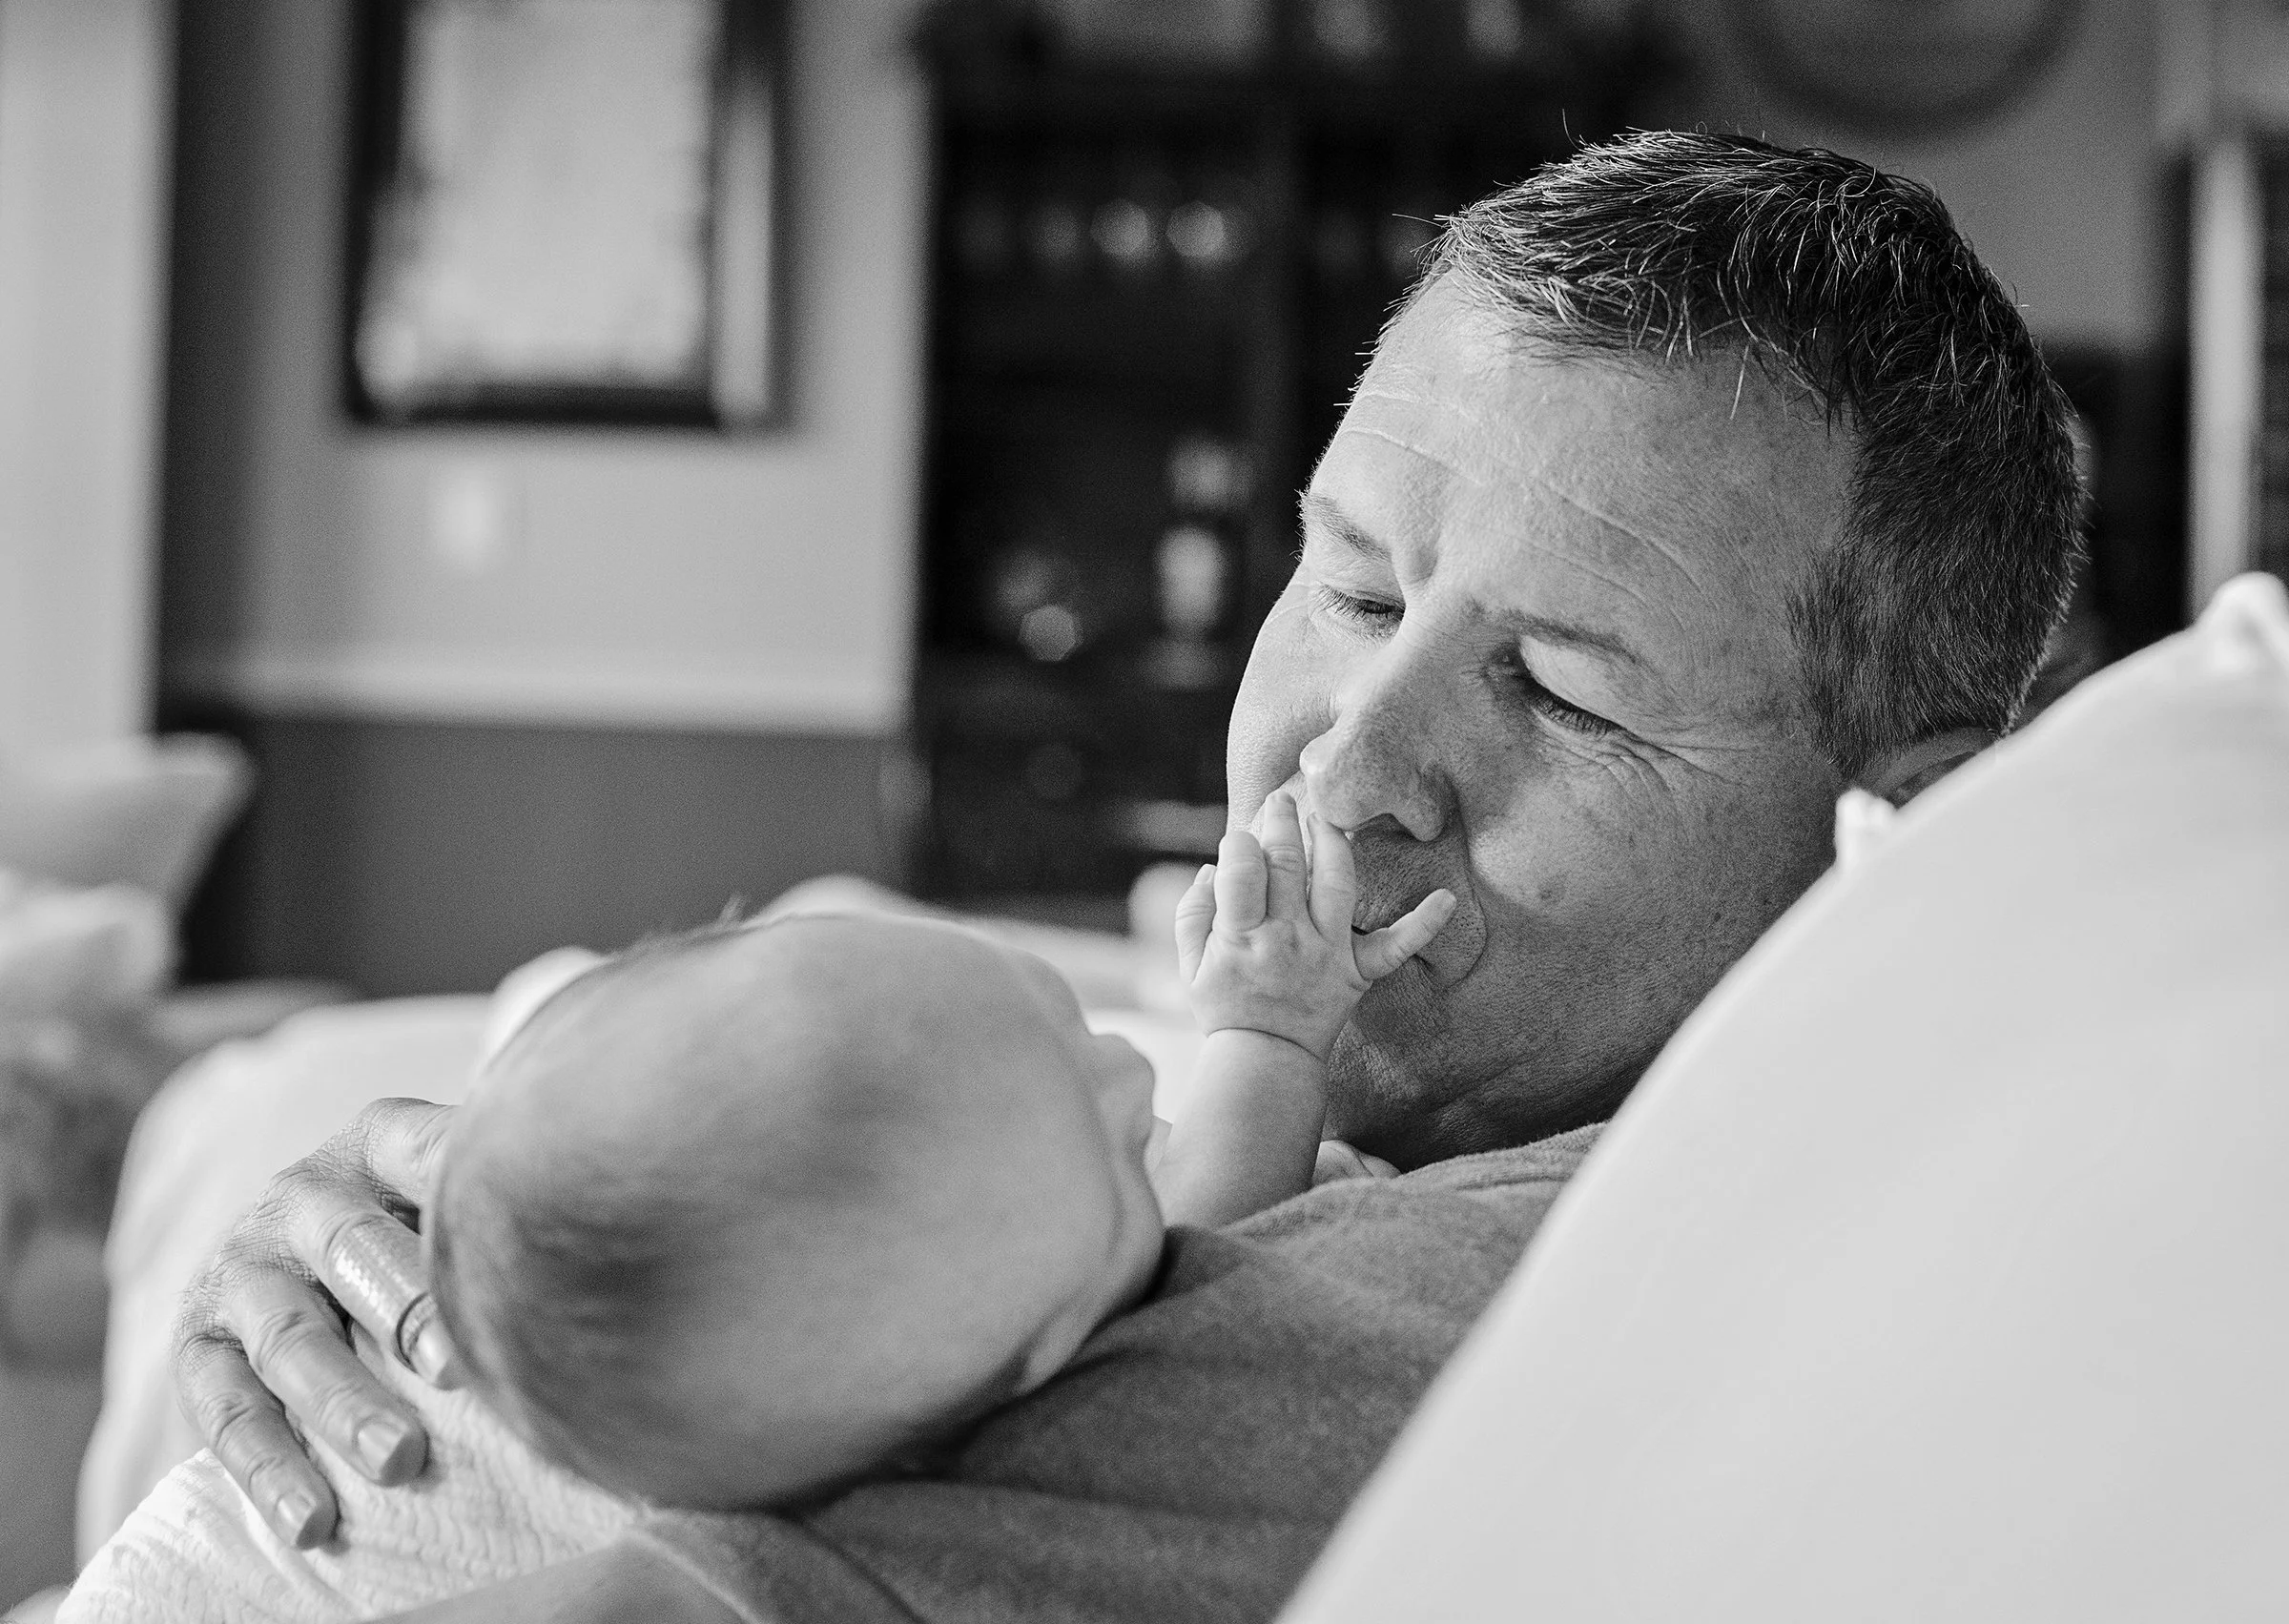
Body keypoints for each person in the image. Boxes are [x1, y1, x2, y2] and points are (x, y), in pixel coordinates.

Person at [158, 130, 2082, 1623]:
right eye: (1350, 584)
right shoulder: (1359, 1123)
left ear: (1892, 826)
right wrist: (471, 1248)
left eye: (1564, 692)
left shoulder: (1437, 1319)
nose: (1348, 765)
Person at [68, 806, 1449, 1621]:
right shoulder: (958, 1284)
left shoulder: (928, 1175)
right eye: (1116, 1149)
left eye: (1062, 1017)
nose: (1139, 1067)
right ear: (1032, 1371)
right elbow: (1214, 1208)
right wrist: (1268, 1037)